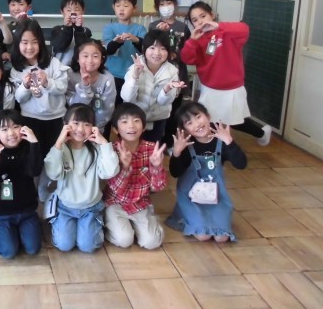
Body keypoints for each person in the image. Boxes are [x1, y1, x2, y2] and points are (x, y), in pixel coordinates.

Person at [180, 1, 271, 145]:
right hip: (210, 89)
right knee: (208, 122)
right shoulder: (197, 40)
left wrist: (218, 26)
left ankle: (262, 133)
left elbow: (244, 29)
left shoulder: (227, 32)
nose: (200, 21)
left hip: (232, 88)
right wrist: (192, 41)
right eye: (195, 20)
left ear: (212, 15)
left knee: (236, 122)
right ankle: (214, 151)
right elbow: (187, 58)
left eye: (203, 16)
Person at [166, 102, 247, 242]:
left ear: (208, 116)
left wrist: (229, 141)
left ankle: (214, 219)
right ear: (185, 129)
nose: (197, 124)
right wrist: (177, 153)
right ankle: (185, 217)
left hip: (216, 197)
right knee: (203, 235)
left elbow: (241, 164)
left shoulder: (221, 140)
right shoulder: (186, 144)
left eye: (198, 117)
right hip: (191, 198)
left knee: (221, 238)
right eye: (189, 123)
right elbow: (175, 173)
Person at [44, 104, 120, 253]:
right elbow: (53, 173)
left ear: (93, 127)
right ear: (65, 124)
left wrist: (105, 144)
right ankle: (61, 222)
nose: (80, 129)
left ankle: (95, 223)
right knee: (64, 245)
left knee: (88, 246)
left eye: (87, 124)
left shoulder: (97, 149)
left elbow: (109, 172)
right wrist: (58, 143)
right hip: (65, 206)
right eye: (76, 123)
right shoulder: (60, 149)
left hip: (90, 208)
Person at [103, 103, 167, 249]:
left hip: (140, 203)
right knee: (124, 240)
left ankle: (145, 226)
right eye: (124, 121)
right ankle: (109, 225)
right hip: (115, 203)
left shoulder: (152, 149)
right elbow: (117, 189)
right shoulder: (111, 151)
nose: (131, 126)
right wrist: (125, 167)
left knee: (151, 242)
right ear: (115, 129)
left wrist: (157, 167)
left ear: (144, 127)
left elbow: (157, 188)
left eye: (136, 121)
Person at [0, 110, 42, 259]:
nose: (11, 133)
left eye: (15, 127)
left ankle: (20, 230)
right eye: (4, 129)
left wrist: (34, 143)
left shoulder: (28, 150)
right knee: (8, 252)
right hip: (2, 214)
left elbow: (35, 171)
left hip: (27, 211)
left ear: (23, 129)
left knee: (32, 248)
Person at [9, 19, 69, 153]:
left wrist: (47, 82)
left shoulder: (53, 63)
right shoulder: (17, 69)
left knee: (55, 153)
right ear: (18, 44)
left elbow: (63, 88)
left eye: (34, 42)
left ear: (41, 42)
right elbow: (19, 98)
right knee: (34, 154)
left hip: (56, 118)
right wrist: (25, 86)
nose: (29, 47)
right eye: (25, 42)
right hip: (30, 118)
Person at [121, 30, 186, 143]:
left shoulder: (172, 71)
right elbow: (127, 98)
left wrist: (167, 89)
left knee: (153, 147)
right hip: (135, 118)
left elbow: (163, 102)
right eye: (152, 47)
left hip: (158, 119)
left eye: (163, 48)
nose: (157, 53)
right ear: (144, 49)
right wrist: (135, 76)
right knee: (132, 147)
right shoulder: (134, 68)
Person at [148, 0, 191, 147]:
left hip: (179, 73)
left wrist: (177, 55)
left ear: (175, 4)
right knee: (158, 108)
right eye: (162, 4)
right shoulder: (153, 26)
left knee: (175, 112)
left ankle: (170, 143)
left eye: (169, 3)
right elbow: (150, 49)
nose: (166, 7)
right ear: (157, 7)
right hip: (159, 75)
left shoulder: (183, 27)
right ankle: (156, 142)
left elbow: (188, 50)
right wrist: (159, 33)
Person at [102, 0, 146, 106]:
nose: (121, 9)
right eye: (118, 6)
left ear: (134, 8)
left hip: (133, 75)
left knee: (129, 108)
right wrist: (117, 42)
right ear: (113, 7)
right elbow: (108, 50)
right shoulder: (109, 28)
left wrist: (136, 39)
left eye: (126, 6)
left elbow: (145, 50)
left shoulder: (140, 29)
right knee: (112, 107)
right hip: (112, 75)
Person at [66, 39, 116, 132]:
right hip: (74, 128)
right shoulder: (70, 75)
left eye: (95, 56)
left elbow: (106, 110)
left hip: (96, 129)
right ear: (77, 58)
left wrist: (93, 129)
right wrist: (84, 86)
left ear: (102, 59)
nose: (90, 60)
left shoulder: (107, 79)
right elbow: (74, 106)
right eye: (85, 56)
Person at [50, 0, 92, 67]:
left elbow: (83, 49)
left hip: (78, 69)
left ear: (82, 11)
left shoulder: (86, 31)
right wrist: (67, 28)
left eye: (77, 9)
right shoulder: (57, 29)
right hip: (59, 68)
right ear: (62, 12)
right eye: (68, 10)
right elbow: (60, 47)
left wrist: (78, 28)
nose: (73, 13)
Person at [0, 0, 33, 64]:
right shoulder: (8, 27)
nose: (16, 8)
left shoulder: (33, 25)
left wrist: (22, 21)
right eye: (13, 4)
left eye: (21, 4)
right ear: (8, 6)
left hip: (28, 64)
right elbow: (2, 48)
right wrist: (3, 54)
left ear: (29, 7)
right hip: (10, 64)